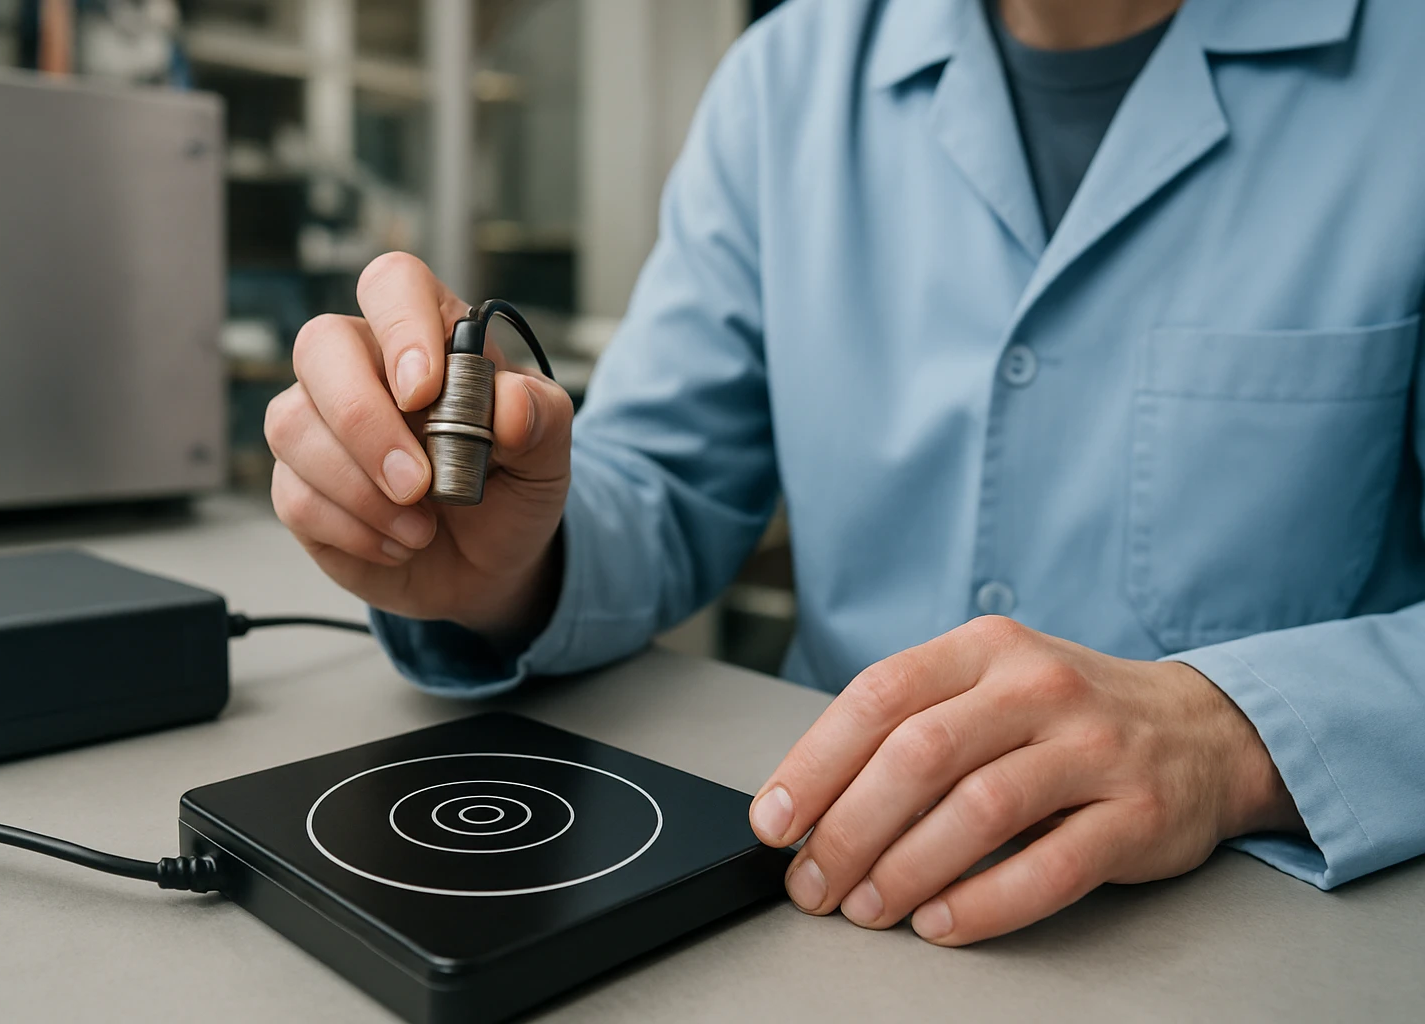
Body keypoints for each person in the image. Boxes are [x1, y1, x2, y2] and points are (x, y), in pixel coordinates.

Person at [262, 0, 1425, 946]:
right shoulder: (786, 81)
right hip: (821, 894)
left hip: (1246, 934)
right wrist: (515, 565)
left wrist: (1231, 739)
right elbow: (662, 484)